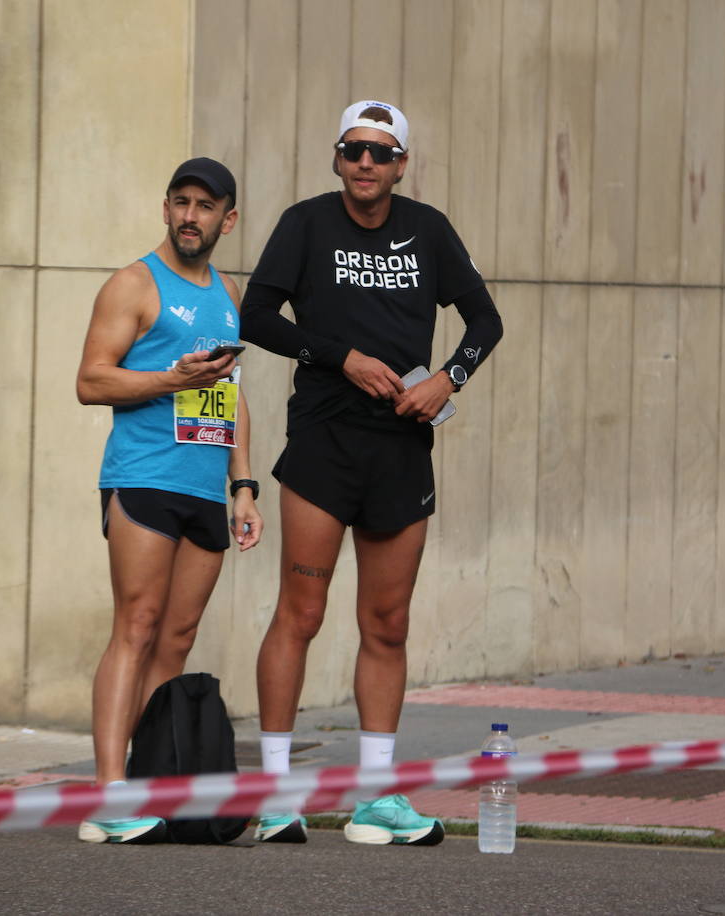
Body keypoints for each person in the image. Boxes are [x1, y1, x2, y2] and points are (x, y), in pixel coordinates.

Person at [240, 101, 503, 845]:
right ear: (336, 158)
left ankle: (377, 800)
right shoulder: (306, 223)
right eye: (353, 149)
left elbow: (486, 322)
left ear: (400, 165)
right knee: (303, 612)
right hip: (323, 443)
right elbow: (255, 316)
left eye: (380, 153)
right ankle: (277, 795)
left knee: (386, 625)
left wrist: (447, 379)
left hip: (400, 448)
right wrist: (337, 356)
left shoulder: (429, 228)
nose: (365, 163)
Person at [74, 158, 262, 844]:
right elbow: (91, 381)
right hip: (144, 476)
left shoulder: (227, 293)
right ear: (165, 208)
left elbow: (231, 396)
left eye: (205, 206)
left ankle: (154, 781)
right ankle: (109, 795)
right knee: (138, 624)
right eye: (180, 202)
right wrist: (166, 379)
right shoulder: (133, 284)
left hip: (204, 488)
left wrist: (243, 486)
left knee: (176, 640)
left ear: (227, 219)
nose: (191, 215)